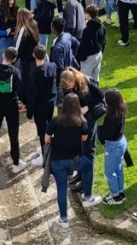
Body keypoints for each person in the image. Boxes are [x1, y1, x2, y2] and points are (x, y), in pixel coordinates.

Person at [45, 92, 101, 229]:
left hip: (57, 161)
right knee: (88, 166)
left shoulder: (55, 121)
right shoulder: (82, 123)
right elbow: (84, 139)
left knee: (61, 189)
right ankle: (87, 197)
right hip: (75, 160)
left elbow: (46, 139)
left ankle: (63, 219)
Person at [99, 88, 129, 205]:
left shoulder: (112, 118)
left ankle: (115, 196)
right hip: (121, 142)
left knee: (109, 171)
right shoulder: (120, 111)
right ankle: (120, 192)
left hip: (113, 147)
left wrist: (98, 130)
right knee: (118, 168)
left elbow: (106, 134)